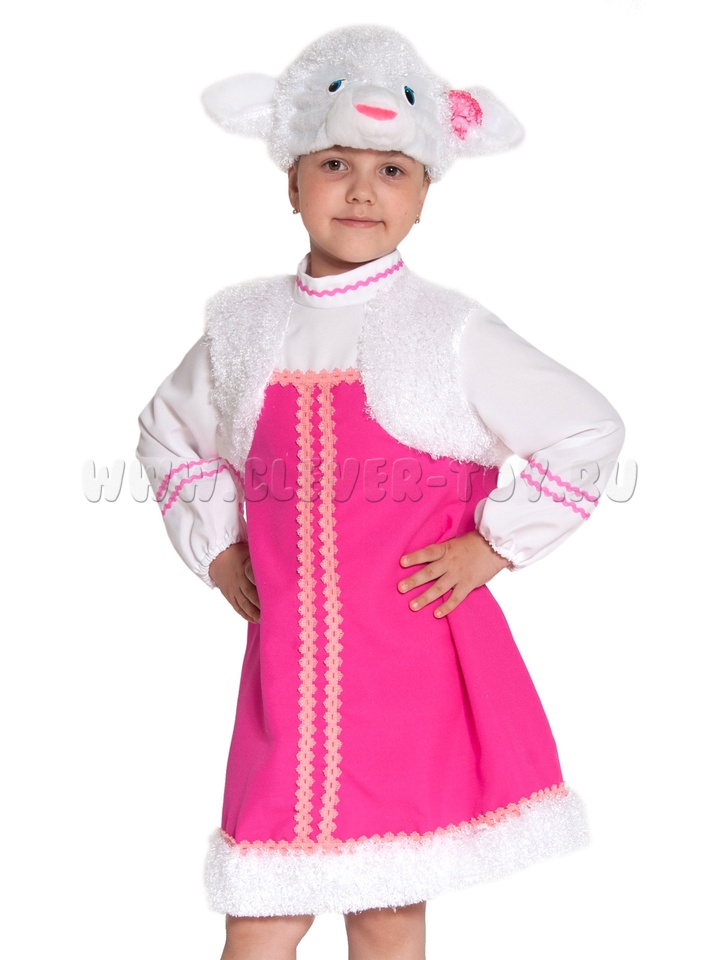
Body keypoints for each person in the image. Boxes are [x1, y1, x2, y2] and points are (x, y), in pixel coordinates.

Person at [137, 25, 624, 960]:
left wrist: (494, 543)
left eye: (392, 170)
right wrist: (219, 547)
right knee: (261, 917)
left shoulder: (445, 331)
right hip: (286, 683)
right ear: (290, 181)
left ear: (425, 193)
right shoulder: (244, 331)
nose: (362, 190)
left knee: (387, 915)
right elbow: (169, 433)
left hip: (411, 678)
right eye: (335, 163)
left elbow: (586, 429)